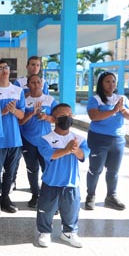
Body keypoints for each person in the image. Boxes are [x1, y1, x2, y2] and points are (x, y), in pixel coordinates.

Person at [36, 103, 89, 248]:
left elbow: (83, 155)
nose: (67, 118)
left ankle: (69, 232)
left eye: (70, 115)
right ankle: (45, 232)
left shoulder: (79, 138)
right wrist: (66, 150)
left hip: (71, 182)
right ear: (54, 119)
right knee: (46, 209)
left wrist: (75, 149)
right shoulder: (45, 139)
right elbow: (49, 155)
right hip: (51, 182)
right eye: (63, 116)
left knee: (71, 209)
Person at [85, 72, 129, 210]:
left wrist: (122, 109)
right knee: (95, 169)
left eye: (113, 81)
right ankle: (90, 195)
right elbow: (94, 116)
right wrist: (114, 110)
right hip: (98, 139)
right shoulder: (95, 99)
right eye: (107, 81)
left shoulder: (122, 98)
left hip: (117, 139)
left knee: (113, 171)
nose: (111, 84)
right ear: (101, 83)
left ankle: (111, 197)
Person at [0, 59, 25, 215]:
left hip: (14, 139)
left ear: (9, 71)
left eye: (6, 67)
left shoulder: (18, 91)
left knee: (10, 172)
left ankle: (5, 198)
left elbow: (22, 115)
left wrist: (13, 111)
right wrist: (2, 112)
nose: (4, 70)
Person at [18, 73, 56, 208]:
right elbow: (20, 121)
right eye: (32, 82)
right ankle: (35, 194)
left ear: (42, 84)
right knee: (32, 169)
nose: (36, 85)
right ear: (28, 85)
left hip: (46, 141)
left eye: (38, 82)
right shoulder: (23, 100)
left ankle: (48, 197)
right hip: (28, 140)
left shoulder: (50, 100)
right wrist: (32, 113)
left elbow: (58, 119)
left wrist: (46, 117)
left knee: (47, 168)